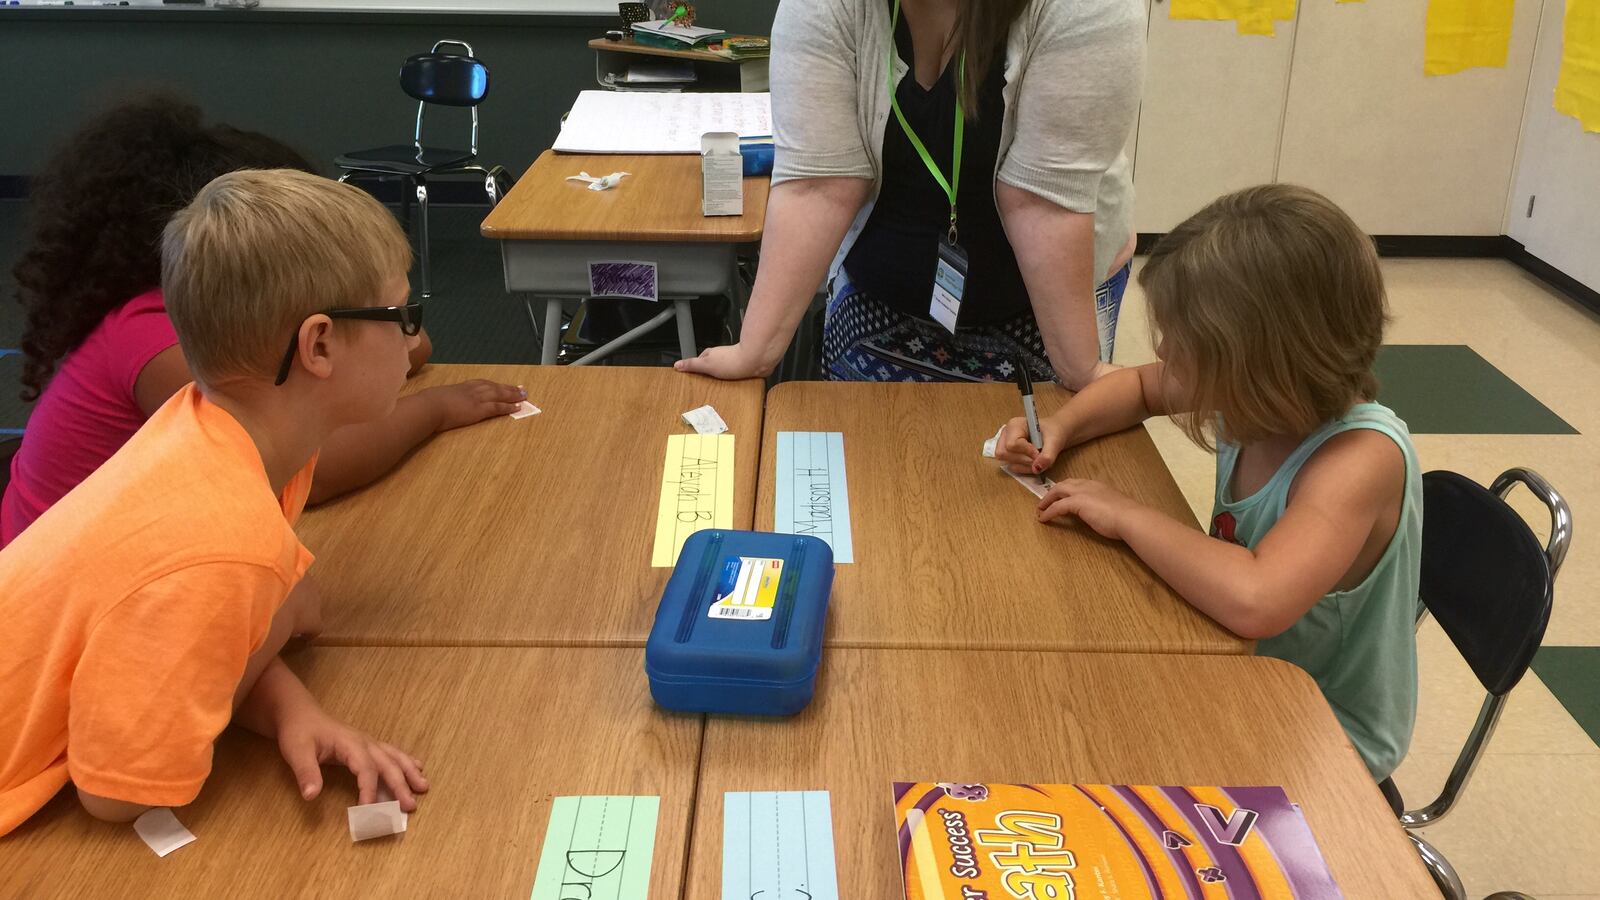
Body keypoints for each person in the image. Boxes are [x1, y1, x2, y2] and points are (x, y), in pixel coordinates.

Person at [0, 169, 438, 834]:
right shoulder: (227, 542)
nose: (414, 340)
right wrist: (281, 621)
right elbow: (119, 793)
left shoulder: (207, 425)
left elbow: (186, 647)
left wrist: (292, 706)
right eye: (403, 316)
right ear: (318, 345)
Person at [996, 184, 1421, 779]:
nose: (1165, 350)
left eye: (1184, 341)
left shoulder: (1359, 460)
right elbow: (1140, 388)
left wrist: (1127, 515)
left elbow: (1257, 598)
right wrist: (1059, 430)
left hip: (1323, 731)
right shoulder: (1252, 394)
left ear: (1258, 356)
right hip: (1236, 667)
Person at [2, 94, 524, 546]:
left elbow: (412, 343)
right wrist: (434, 408)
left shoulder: (228, 305)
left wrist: (383, 319)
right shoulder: (159, 338)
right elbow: (317, 471)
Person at [676, 0, 1143, 387]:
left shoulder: (1085, 8)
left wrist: (1081, 371)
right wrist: (755, 351)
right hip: (876, 292)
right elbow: (818, 185)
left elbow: (1046, 202)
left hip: (1045, 304)